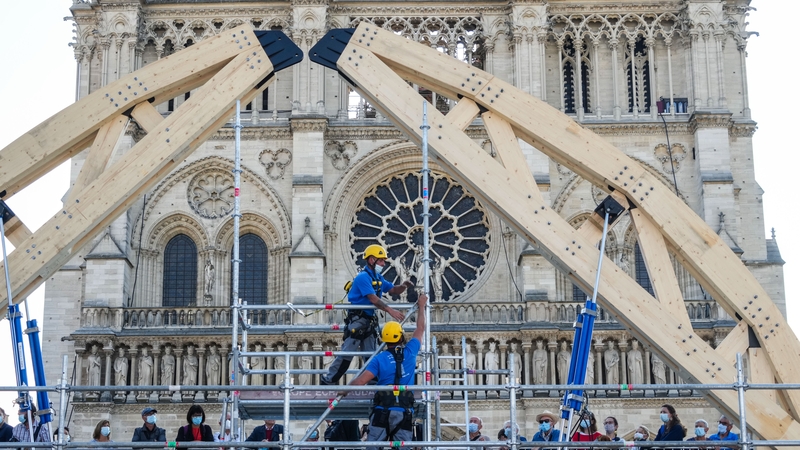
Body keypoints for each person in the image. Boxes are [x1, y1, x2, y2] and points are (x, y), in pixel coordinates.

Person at [340, 293, 428, 450]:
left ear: (384, 340)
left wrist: (342, 391)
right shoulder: (410, 352)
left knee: (374, 447)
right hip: (403, 411)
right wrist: (421, 306)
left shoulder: (379, 359)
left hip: (382, 411)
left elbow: (360, 381)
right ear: (401, 337)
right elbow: (420, 328)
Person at [320, 244, 413, 385]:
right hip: (358, 320)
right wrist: (390, 310)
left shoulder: (378, 277)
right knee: (347, 355)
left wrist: (404, 285)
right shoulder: (362, 277)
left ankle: (372, 383)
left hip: (369, 321)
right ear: (371, 260)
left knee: (371, 355)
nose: (383, 263)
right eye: (381, 260)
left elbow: (393, 290)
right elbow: (372, 298)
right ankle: (329, 380)